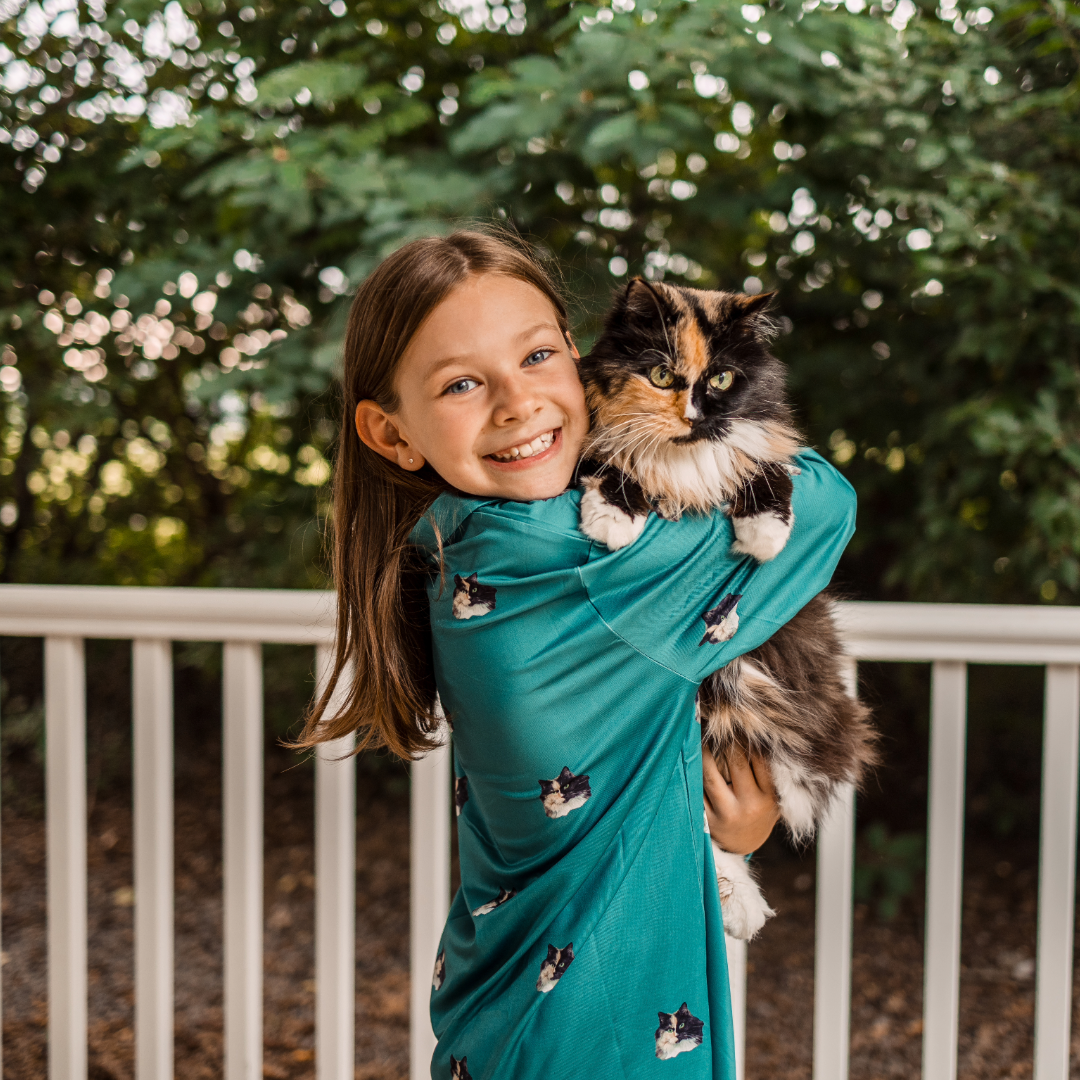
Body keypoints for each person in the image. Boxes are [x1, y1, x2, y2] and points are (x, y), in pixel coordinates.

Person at [296, 229, 856, 1079]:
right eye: (460, 383)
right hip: (602, 1040)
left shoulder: (458, 550)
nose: (517, 404)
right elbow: (825, 502)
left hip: (512, 1021)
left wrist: (723, 828)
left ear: (581, 357)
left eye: (538, 355)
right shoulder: (579, 566)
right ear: (391, 432)